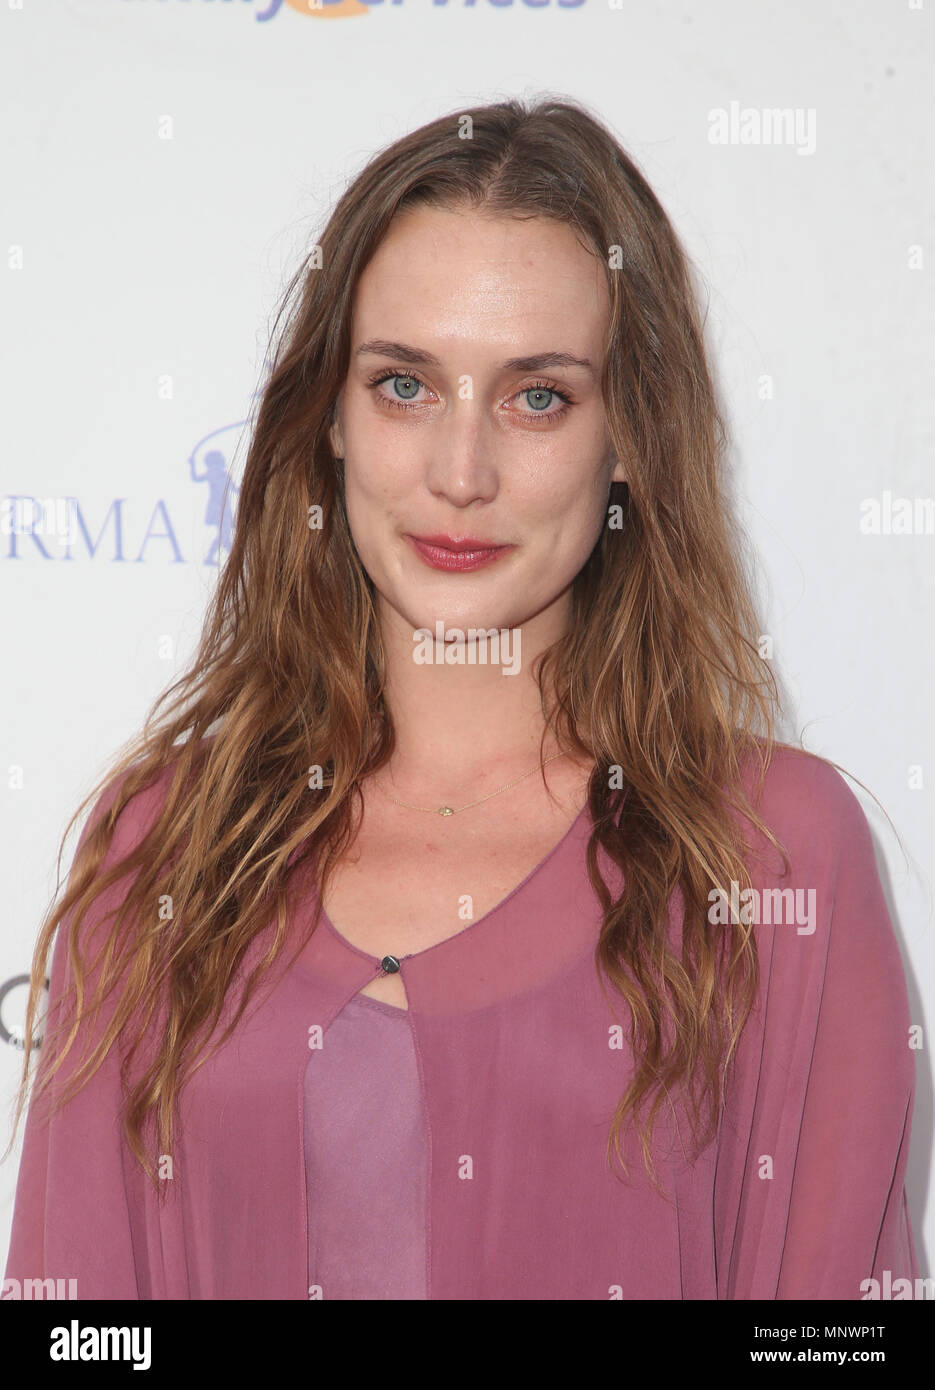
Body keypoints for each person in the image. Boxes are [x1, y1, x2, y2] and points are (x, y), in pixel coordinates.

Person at [2, 95, 919, 1300]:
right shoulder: (161, 846)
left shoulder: (773, 854)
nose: (459, 471)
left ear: (628, 438)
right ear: (327, 418)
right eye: (403, 386)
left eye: (537, 396)